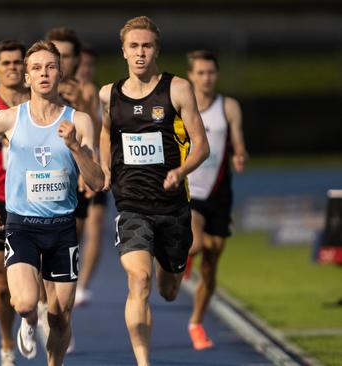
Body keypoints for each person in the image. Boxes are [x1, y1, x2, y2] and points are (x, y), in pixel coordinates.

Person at [0, 40, 104, 366]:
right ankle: (29, 322)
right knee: (26, 304)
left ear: (60, 73)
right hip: (22, 226)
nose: (43, 73)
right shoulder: (9, 119)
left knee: (60, 316)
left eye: (50, 67)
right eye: (36, 68)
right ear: (27, 76)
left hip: (63, 228)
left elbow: (97, 181)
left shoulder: (81, 121)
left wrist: (75, 147)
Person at [98, 16, 209, 366]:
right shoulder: (108, 95)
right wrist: (104, 168)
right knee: (139, 279)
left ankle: (174, 265)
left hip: (173, 206)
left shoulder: (177, 89)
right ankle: (143, 361)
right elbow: (105, 133)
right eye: (134, 46)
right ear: (124, 51)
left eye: (147, 46)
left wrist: (181, 170)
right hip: (131, 204)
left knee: (168, 289)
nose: (140, 53)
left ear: (156, 49)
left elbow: (201, 146)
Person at [184, 50, 247, 350]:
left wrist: (239, 155)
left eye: (211, 72)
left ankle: (196, 322)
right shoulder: (183, 106)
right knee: (195, 243)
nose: (207, 78)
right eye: (201, 73)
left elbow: (237, 139)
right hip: (190, 190)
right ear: (191, 76)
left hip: (219, 193)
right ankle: (181, 254)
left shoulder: (229, 107)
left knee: (211, 265)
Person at [46, 28, 106, 310]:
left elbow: (95, 130)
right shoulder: (38, 86)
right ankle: (43, 303)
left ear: (76, 60)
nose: (60, 62)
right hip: (45, 176)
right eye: (55, 55)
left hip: (80, 173)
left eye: (66, 56)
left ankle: (63, 307)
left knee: (74, 239)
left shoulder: (86, 90)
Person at [0, 39, 30, 366]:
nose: (13, 67)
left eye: (18, 62)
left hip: (37, 202)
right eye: (6, 63)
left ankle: (30, 317)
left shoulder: (39, 101)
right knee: (1, 280)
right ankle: (5, 344)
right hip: (1, 202)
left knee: (40, 275)